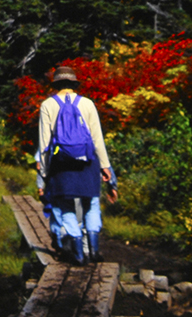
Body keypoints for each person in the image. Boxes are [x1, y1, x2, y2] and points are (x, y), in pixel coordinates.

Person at [38, 65, 119, 264]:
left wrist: (45, 172)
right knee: (90, 203)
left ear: (56, 84)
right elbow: (97, 139)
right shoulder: (88, 104)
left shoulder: (48, 105)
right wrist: (105, 166)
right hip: (88, 163)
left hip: (62, 165)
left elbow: (44, 143)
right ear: (74, 84)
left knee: (65, 207)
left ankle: (78, 254)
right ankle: (94, 251)